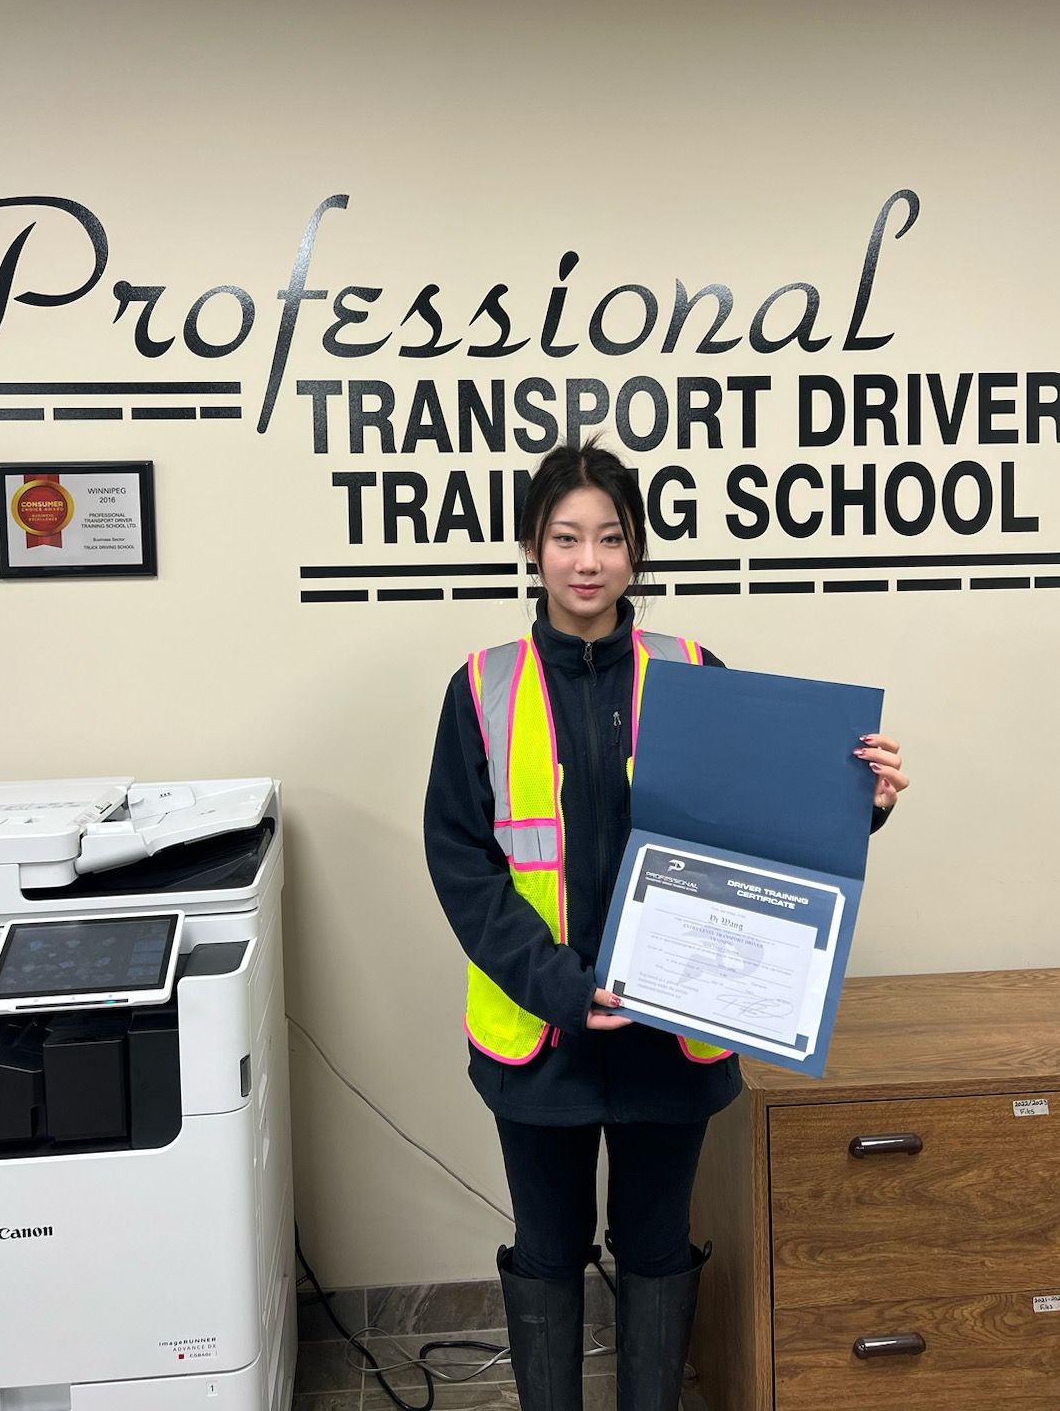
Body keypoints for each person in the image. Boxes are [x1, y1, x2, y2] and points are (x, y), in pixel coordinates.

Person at [424, 439, 909, 1411]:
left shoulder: (692, 673)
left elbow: (757, 830)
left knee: (656, 1247)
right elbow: (462, 864)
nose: (588, 560)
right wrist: (561, 987)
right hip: (541, 1036)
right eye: (566, 537)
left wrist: (860, 805)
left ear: (636, 550)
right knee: (548, 1249)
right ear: (532, 546)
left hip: (670, 1034)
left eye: (610, 537)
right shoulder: (482, 688)